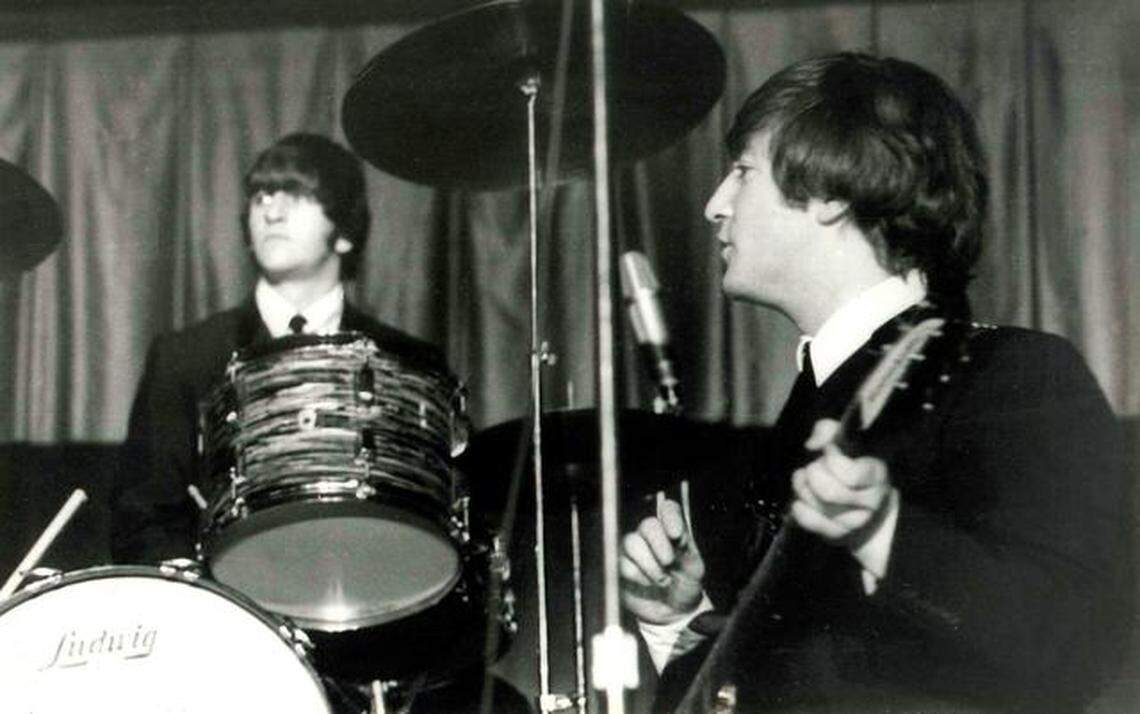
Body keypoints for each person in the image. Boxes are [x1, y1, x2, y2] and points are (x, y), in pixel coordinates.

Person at [620, 53, 1131, 713]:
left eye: (742, 171)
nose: (716, 205)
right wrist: (676, 621)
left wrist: (883, 534)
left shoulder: (1014, 376)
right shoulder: (804, 412)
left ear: (832, 190)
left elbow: (1073, 644)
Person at [111, 132, 446, 564]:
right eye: (261, 196)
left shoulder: (410, 361)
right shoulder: (185, 357)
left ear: (344, 232)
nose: (271, 209)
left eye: (297, 194)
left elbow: (433, 519)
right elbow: (141, 520)